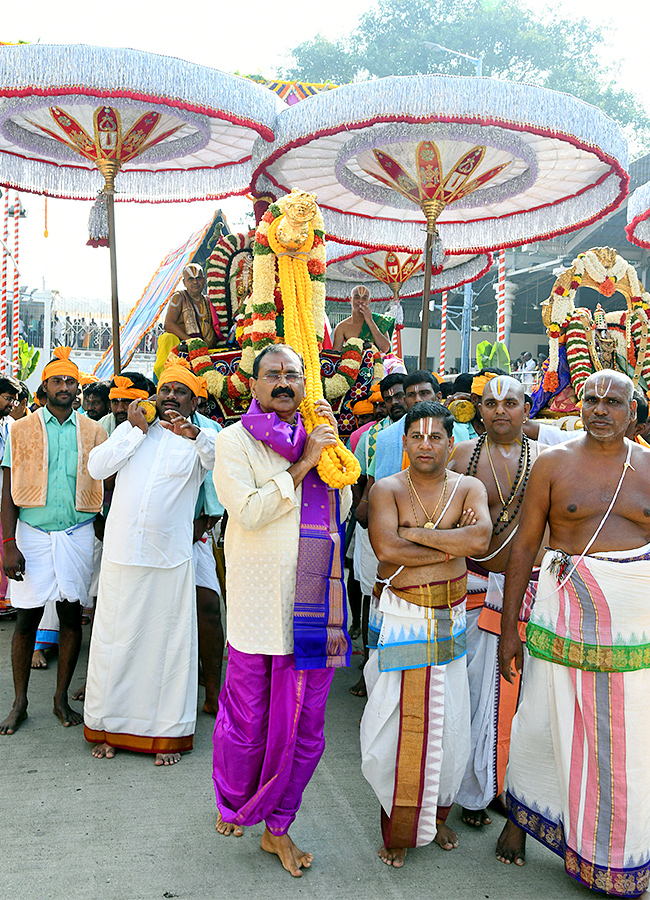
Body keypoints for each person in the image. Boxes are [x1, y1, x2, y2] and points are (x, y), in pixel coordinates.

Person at [496, 370, 650, 897]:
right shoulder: (552, 465)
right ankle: (520, 820)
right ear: (579, 406)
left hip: (634, 632)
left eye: (613, 401)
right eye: (592, 399)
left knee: (629, 742)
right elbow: (523, 547)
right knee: (542, 719)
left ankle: (618, 851)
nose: (601, 409)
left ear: (634, 412)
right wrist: (509, 630)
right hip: (562, 620)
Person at [212, 344, 352, 877]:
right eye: (272, 374)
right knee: (248, 725)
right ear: (254, 385)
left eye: (293, 374)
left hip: (314, 615)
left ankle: (277, 827)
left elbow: (344, 503)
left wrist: (325, 454)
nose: (284, 382)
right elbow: (247, 511)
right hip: (257, 613)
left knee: (306, 730)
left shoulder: (322, 438)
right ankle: (235, 803)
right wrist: (302, 467)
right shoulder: (235, 441)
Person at [361, 401, 492, 867]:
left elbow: (480, 541)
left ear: (450, 442)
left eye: (436, 437)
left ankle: (434, 819)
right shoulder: (387, 489)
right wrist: (446, 545)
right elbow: (384, 548)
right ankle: (398, 830)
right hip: (404, 617)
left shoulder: (468, 486)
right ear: (406, 440)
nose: (426, 444)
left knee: (448, 725)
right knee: (396, 727)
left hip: (449, 619)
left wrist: (415, 536)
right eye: (417, 435)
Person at [83, 360, 215, 765]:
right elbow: (96, 467)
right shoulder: (132, 427)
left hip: (168, 560)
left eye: (181, 391)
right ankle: (108, 729)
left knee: (165, 650)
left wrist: (193, 435)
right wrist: (136, 431)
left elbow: (220, 465)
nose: (170, 396)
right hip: (122, 556)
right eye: (166, 389)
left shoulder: (203, 437)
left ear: (194, 401)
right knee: (114, 645)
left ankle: (164, 737)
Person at [447, 374, 543, 828]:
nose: (499, 410)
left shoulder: (546, 459)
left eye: (510, 402)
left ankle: (505, 786)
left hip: (527, 592)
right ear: (477, 410)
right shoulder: (461, 456)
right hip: (472, 585)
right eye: (489, 403)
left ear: (527, 409)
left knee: (519, 695)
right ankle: (469, 789)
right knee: (466, 695)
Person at [0, 349, 106, 735]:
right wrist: (9, 542)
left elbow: (106, 481)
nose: (64, 387)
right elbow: (8, 488)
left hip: (77, 533)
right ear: (44, 387)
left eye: (70, 382)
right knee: (26, 616)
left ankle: (60, 699)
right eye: (57, 381)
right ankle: (19, 703)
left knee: (70, 614)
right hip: (32, 534)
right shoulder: (21, 428)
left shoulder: (95, 431)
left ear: (78, 389)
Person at [351, 374, 408, 696]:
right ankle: (367, 669)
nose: (396, 402)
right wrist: (364, 504)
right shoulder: (373, 436)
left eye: (402, 395)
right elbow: (363, 479)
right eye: (390, 398)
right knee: (371, 595)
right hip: (377, 525)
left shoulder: (438, 432)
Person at [0, 376, 21, 619]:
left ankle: (5, 599)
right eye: (7, 399)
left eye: (14, 401)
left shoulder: (9, 424)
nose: (11, 405)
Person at [332, 285, 392, 354]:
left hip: (375, 363)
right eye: (357, 297)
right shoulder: (342, 327)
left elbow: (385, 348)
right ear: (350, 300)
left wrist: (370, 322)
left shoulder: (378, 321)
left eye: (364, 298)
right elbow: (335, 355)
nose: (360, 301)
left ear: (369, 301)